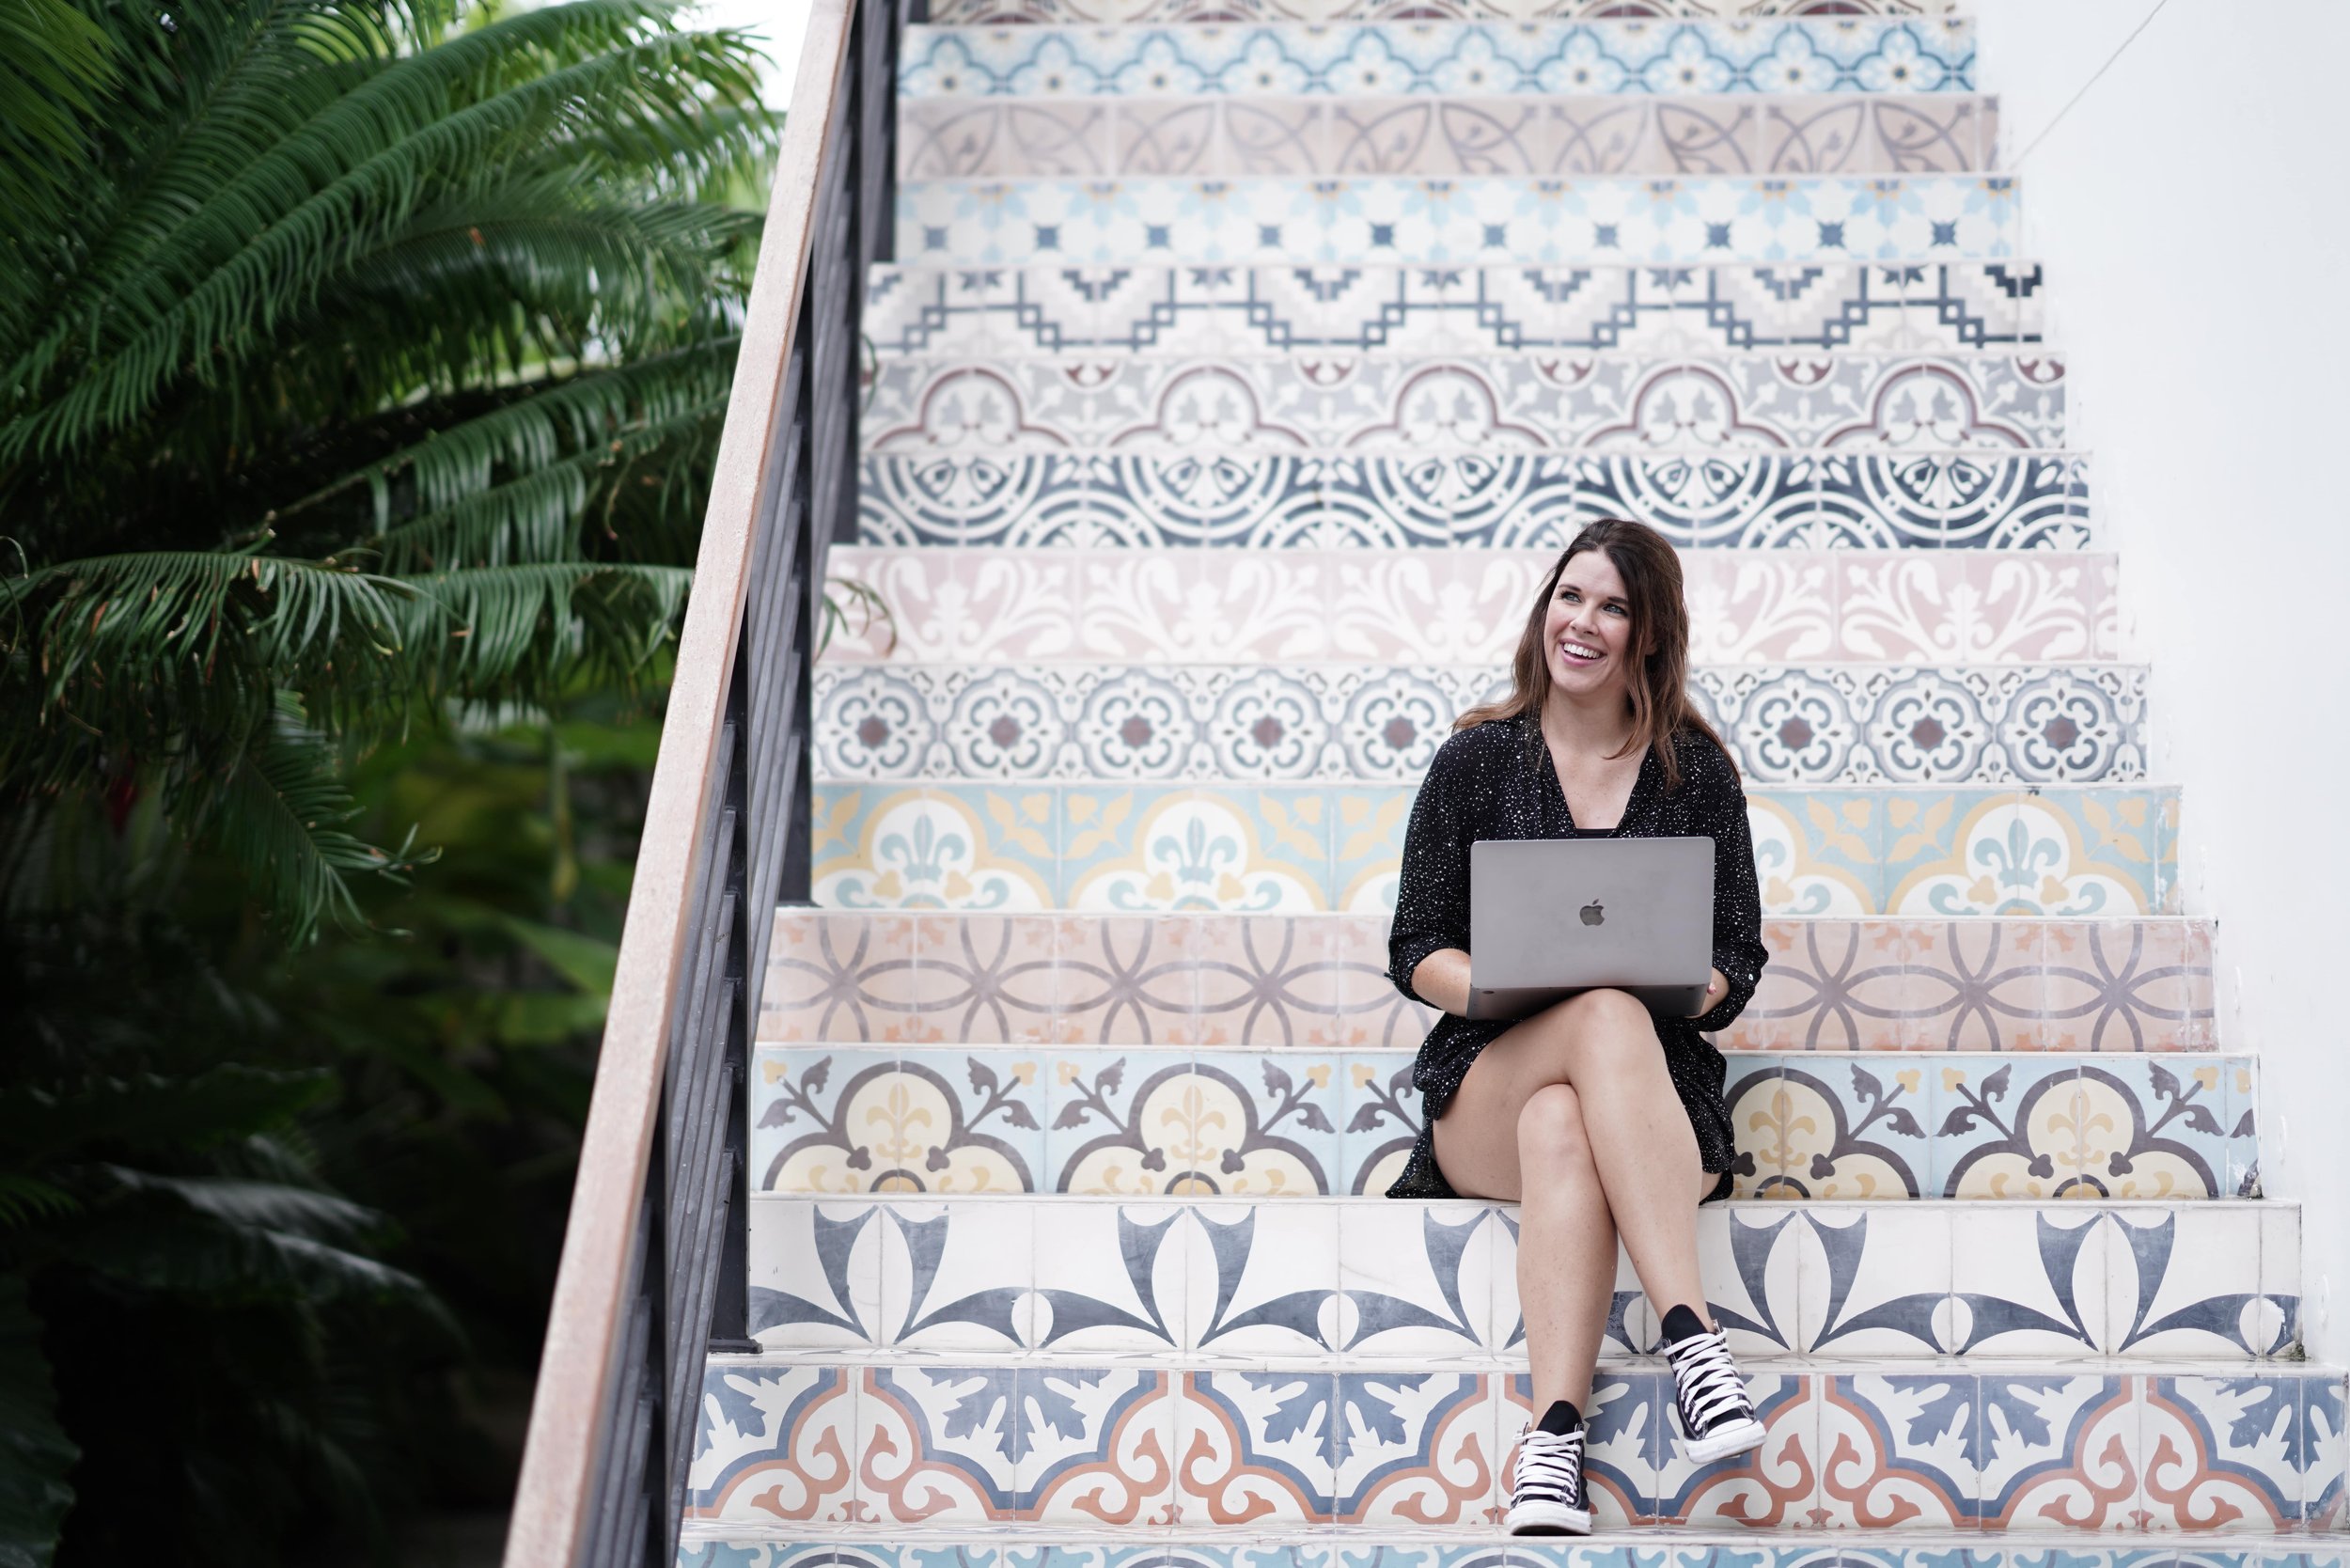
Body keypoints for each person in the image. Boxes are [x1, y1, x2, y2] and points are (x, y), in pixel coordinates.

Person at [1383, 516, 1773, 1536]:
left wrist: (1671, 987)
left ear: (1648, 634)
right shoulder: (1476, 760)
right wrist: (1513, 985)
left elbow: (1738, 960)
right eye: (1570, 595)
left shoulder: (1696, 773)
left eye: (1613, 606)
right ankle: (1695, 1341)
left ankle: (1551, 1445)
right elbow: (1415, 946)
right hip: (1488, 1086)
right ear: (1543, 607)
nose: (1584, 622)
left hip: (1647, 1098)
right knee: (1584, 1023)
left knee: (1573, 1113)